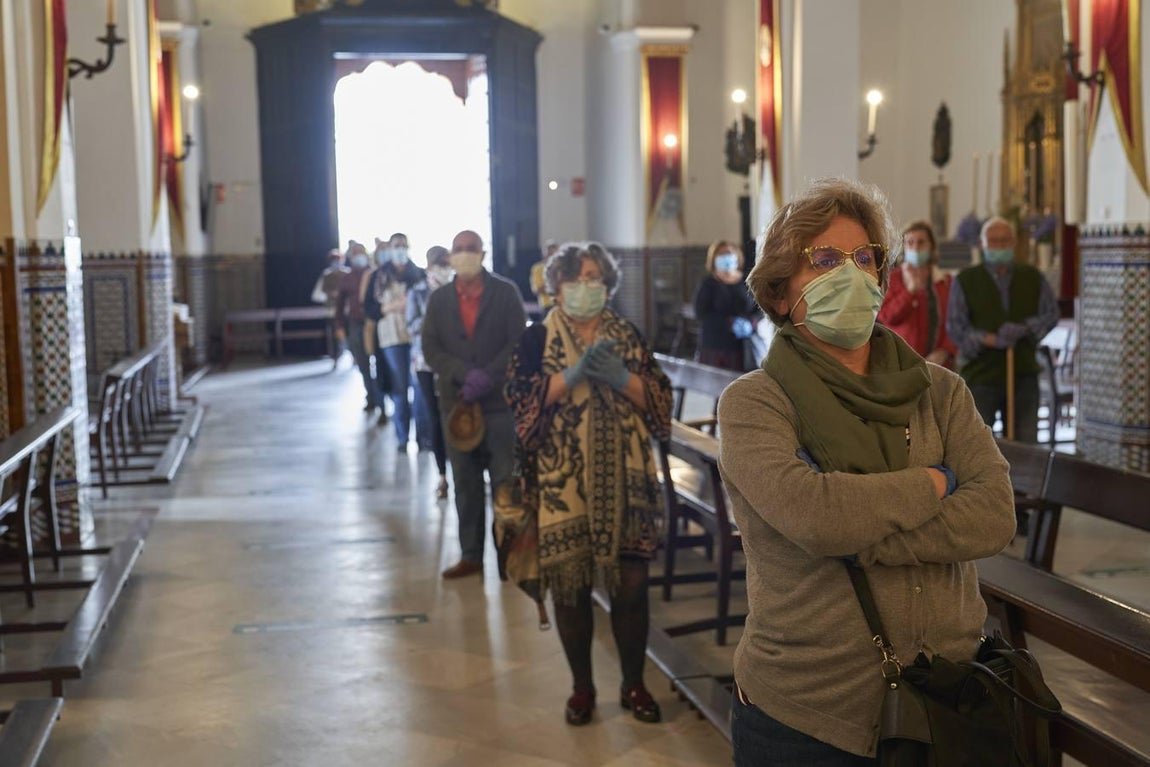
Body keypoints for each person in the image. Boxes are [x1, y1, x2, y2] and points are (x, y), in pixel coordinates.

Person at [717, 178, 1016, 765]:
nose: (850, 274)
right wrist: (935, 482)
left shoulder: (941, 392)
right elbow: (818, 517)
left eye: (864, 258)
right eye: (824, 260)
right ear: (780, 292)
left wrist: (862, 538)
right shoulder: (756, 403)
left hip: (947, 693)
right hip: (810, 712)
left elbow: (994, 516)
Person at [506, 242, 673, 727]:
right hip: (564, 488)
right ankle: (582, 688)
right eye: (577, 278)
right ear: (557, 287)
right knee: (571, 589)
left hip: (629, 482)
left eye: (595, 277)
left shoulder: (628, 335)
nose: (587, 286)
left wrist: (622, 379)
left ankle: (633, 683)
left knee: (632, 586)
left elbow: (661, 405)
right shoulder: (536, 340)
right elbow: (520, 409)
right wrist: (570, 377)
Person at [422, 230, 526, 579]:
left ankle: (507, 557)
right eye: (459, 249)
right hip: (457, 405)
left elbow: (517, 342)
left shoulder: (505, 293)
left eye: (471, 249)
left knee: (504, 483)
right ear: (451, 256)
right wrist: (461, 373)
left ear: (482, 254)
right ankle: (470, 555)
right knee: (465, 485)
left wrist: (489, 375)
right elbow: (431, 348)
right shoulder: (439, 301)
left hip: (499, 405)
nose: (465, 254)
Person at [945, 216, 1059, 442]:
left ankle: (1019, 479)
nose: (999, 246)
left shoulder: (1032, 276)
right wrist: (988, 339)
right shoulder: (966, 280)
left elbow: (1050, 314)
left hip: (1023, 373)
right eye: (993, 241)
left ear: (1014, 243)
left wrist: (1026, 328)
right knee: (975, 443)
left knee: (1025, 441)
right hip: (981, 375)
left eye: (1004, 241)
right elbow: (956, 327)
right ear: (982, 244)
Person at [365, 233, 426, 450]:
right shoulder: (378, 277)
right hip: (390, 338)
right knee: (399, 389)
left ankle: (423, 437)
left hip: (416, 338)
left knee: (420, 388)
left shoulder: (419, 274)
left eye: (403, 245)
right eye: (396, 246)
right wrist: (391, 307)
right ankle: (402, 438)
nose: (400, 249)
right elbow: (369, 310)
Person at [876, 221, 958, 368]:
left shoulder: (946, 282)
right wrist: (909, 291)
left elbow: (956, 320)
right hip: (900, 363)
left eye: (921, 242)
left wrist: (945, 351)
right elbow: (886, 317)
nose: (915, 247)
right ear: (904, 247)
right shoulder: (892, 279)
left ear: (931, 246)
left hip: (939, 365)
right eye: (910, 243)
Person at [407, 245, 453, 498]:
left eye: (447, 264)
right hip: (425, 362)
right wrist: (433, 318)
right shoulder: (418, 293)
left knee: (455, 414)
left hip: (453, 361)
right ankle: (442, 475)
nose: (444, 270)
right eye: (439, 264)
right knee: (434, 416)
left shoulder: (456, 292)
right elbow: (410, 324)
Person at [334, 242, 384, 417]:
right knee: (363, 363)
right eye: (356, 253)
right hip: (355, 324)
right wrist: (339, 326)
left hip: (374, 324)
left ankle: (381, 400)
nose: (359, 256)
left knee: (380, 363)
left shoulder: (375, 274)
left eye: (362, 252)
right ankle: (371, 397)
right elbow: (339, 305)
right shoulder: (347, 278)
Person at [693, 239, 758, 370]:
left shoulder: (748, 281)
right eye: (721, 255)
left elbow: (760, 308)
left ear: (737, 256)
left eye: (729, 253)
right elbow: (700, 313)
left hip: (744, 346)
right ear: (714, 259)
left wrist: (751, 323)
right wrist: (729, 323)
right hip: (716, 346)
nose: (726, 257)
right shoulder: (708, 284)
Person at [312, 248, 349, 363]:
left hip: (346, 309)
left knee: (348, 332)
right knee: (334, 334)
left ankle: (350, 355)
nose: (336, 262)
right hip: (331, 309)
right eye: (333, 260)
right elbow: (321, 291)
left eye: (338, 259)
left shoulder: (347, 273)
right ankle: (335, 356)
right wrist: (332, 293)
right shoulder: (326, 275)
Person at [529, 240, 560, 315]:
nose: (552, 255)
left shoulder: (562, 268)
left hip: (561, 306)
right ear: (544, 253)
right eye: (550, 252)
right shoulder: (537, 268)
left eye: (554, 252)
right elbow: (537, 290)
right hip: (547, 306)